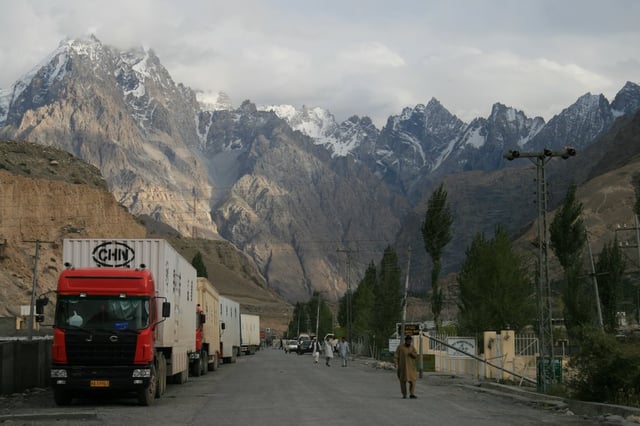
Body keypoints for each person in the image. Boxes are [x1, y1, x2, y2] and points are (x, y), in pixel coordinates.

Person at [394, 335, 418, 399]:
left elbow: (416, 355)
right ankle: (404, 394)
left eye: (410, 341)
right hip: (402, 368)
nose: (409, 342)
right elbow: (396, 356)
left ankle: (412, 394)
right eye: (408, 341)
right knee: (402, 381)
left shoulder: (412, 348)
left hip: (411, 368)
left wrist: (411, 354)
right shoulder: (400, 347)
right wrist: (396, 363)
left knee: (413, 381)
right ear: (405, 341)